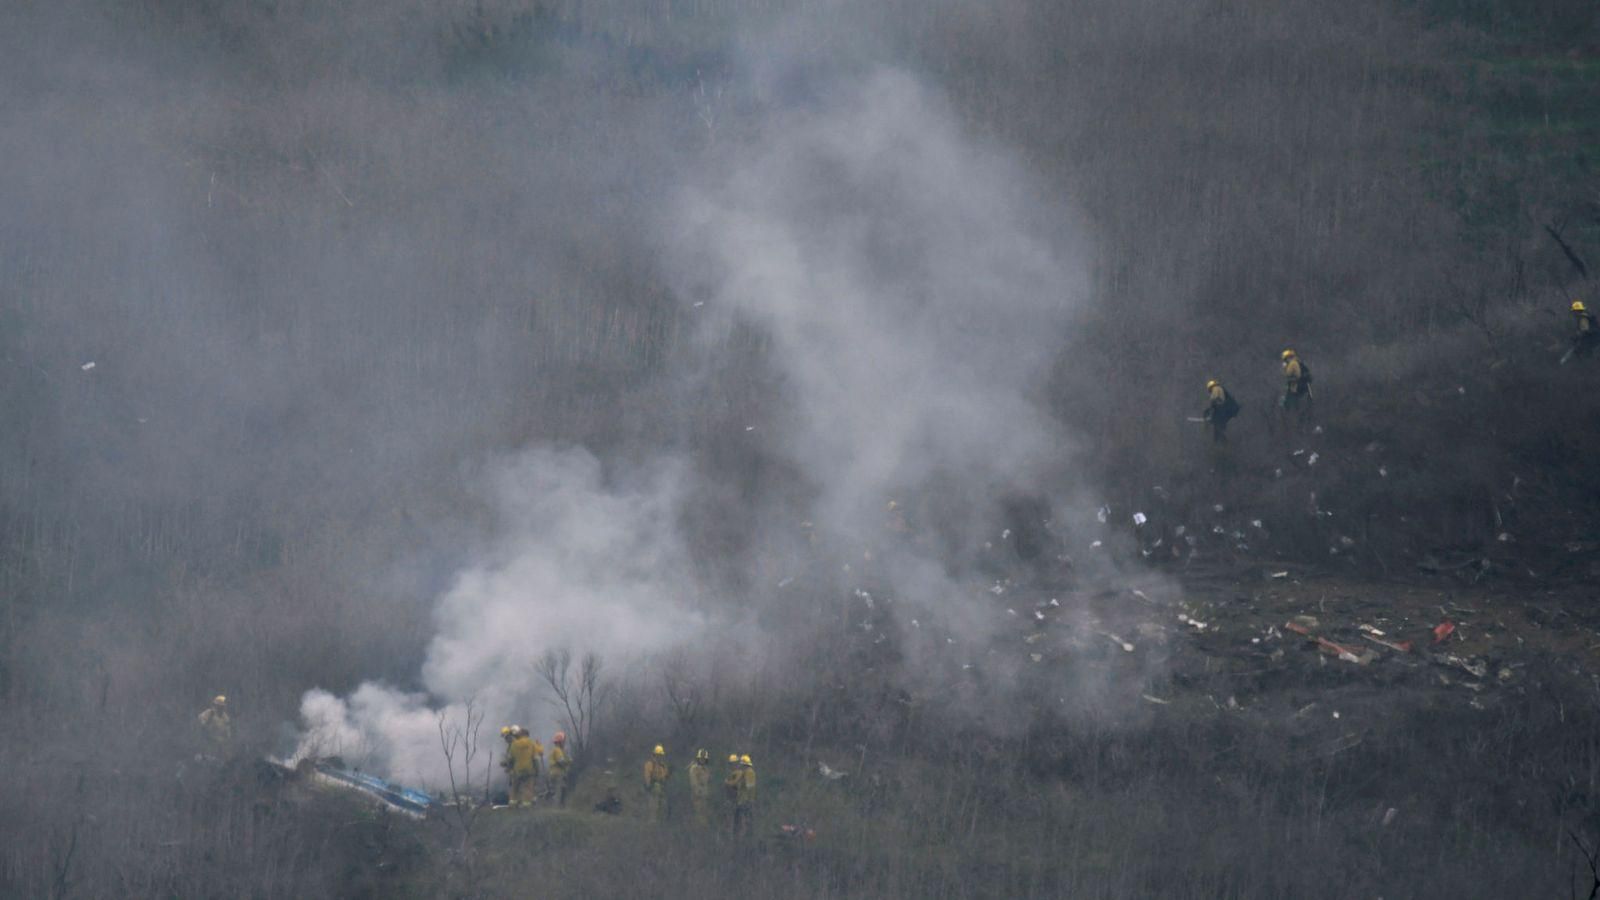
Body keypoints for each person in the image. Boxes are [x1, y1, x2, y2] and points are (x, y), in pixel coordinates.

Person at [1280, 349, 1313, 431]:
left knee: (1290, 403)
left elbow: (1290, 375)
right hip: (1296, 387)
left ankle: (1292, 419)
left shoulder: (1293, 363)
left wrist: (1284, 368)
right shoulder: (1295, 362)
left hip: (1295, 388)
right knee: (1292, 403)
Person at [506, 726, 539, 808]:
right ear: (527, 735)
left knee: (515, 789)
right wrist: (537, 770)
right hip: (529, 770)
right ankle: (526, 806)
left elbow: (510, 759)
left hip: (517, 770)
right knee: (527, 788)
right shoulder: (531, 743)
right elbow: (535, 759)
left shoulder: (514, 744)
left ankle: (513, 805)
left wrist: (510, 769)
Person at [1201, 379, 1240, 443]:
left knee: (1218, 427)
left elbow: (1216, 399)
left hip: (1221, 410)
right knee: (1218, 427)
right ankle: (1220, 441)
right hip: (1225, 411)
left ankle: (1221, 442)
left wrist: (1211, 411)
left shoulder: (1216, 388)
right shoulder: (1221, 389)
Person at [730, 754, 757, 836]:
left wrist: (750, 800)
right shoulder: (745, 773)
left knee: (744, 821)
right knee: (739, 821)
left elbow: (750, 787)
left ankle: (745, 836)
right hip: (742, 801)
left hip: (745, 801)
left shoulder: (749, 773)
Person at [643, 744, 670, 821]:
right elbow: (647, 776)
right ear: (654, 755)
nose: (660, 757)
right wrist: (649, 786)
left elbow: (665, 777)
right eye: (658, 755)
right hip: (653, 788)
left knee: (663, 807)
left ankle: (661, 825)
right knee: (653, 808)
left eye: (661, 755)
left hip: (662, 788)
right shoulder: (649, 764)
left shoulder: (663, 765)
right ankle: (652, 826)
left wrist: (668, 775)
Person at [687, 749, 712, 826]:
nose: (703, 760)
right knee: (698, 814)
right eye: (701, 759)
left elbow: (708, 781)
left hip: (705, 795)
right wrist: (697, 793)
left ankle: (703, 828)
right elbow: (693, 782)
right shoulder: (694, 768)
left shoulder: (706, 769)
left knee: (705, 814)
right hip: (698, 795)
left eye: (704, 759)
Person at [547, 731, 572, 806]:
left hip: (554, 773)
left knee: (560, 789)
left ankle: (560, 805)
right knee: (558, 791)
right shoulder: (557, 750)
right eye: (563, 741)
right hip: (558, 773)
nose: (564, 743)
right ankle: (557, 806)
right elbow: (561, 761)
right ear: (560, 742)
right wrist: (568, 761)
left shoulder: (557, 750)